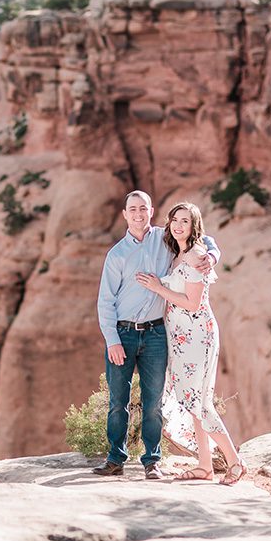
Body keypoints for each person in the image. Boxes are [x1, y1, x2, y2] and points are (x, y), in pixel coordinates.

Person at [94, 191, 219, 480]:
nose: (138, 214)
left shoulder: (165, 239)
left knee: (154, 402)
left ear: (151, 212)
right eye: (132, 210)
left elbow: (205, 240)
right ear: (125, 214)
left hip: (155, 334)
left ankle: (152, 461)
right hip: (123, 334)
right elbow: (105, 301)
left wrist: (211, 255)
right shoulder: (116, 254)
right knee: (117, 401)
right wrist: (111, 339)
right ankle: (115, 459)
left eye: (143, 209)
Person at [135, 201, 247, 485]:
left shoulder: (196, 255)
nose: (178, 225)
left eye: (185, 221)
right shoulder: (178, 252)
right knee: (192, 400)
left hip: (197, 335)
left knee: (199, 402)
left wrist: (158, 288)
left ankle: (234, 462)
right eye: (175, 220)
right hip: (181, 337)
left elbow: (194, 303)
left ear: (193, 225)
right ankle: (205, 465)